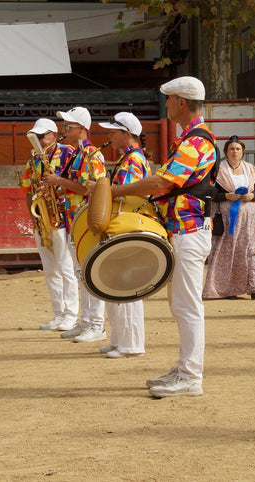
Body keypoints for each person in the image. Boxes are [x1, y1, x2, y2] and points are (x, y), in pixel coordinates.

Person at [109, 76, 216, 398]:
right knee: (182, 305)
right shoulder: (192, 138)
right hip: (184, 229)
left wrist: (115, 190)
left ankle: (190, 376)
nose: (166, 104)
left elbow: (160, 184)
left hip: (188, 229)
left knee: (186, 306)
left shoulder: (195, 141)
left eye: (169, 99)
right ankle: (185, 368)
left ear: (181, 102)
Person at [42, 107, 107, 344]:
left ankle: (97, 324)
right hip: (74, 220)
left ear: (82, 129)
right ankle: (87, 320)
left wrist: (58, 180)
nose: (63, 130)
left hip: (86, 221)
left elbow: (93, 187)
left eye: (67, 126)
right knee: (81, 273)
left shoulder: (91, 154)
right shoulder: (76, 154)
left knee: (89, 272)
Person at [92, 112, 150, 358]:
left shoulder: (132, 161)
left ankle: (130, 343)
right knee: (117, 281)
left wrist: (98, 189)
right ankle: (120, 339)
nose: (110, 136)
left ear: (127, 134)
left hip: (125, 224)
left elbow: (124, 196)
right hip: (122, 224)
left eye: (114, 132)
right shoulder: (131, 159)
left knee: (125, 284)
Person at [20, 119, 78, 332]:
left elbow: (76, 183)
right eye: (36, 136)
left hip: (61, 216)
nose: (39, 140)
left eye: (43, 136)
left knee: (65, 267)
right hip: (42, 216)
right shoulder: (34, 157)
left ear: (54, 134)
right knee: (50, 269)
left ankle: (71, 315)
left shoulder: (68, 153)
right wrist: (34, 216)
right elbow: (28, 188)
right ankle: (58, 313)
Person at [203, 136, 255, 300]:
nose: (235, 152)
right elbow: (209, 192)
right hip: (226, 216)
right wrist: (226, 195)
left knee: (249, 249)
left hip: (248, 217)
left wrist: (252, 196)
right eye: (232, 149)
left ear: (242, 152)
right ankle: (227, 289)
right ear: (226, 152)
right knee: (226, 251)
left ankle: (254, 287)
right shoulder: (217, 170)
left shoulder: (250, 169)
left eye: (238, 149)